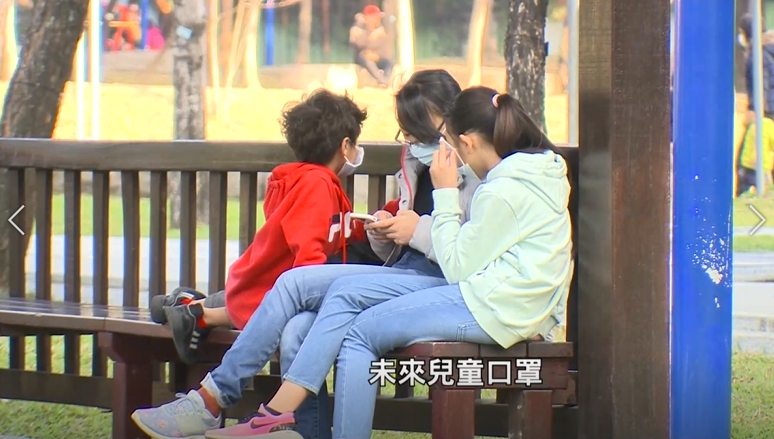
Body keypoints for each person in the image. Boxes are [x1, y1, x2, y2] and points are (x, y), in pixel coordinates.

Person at [194, 86, 572, 439]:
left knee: (357, 331)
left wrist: (443, 194)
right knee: (337, 300)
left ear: (468, 143)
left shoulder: (503, 189)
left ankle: (274, 414)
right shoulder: (526, 176)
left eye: (448, 143)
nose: (444, 153)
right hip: (487, 297)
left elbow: (458, 265)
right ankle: (276, 416)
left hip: (491, 305)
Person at [130, 69, 479, 439]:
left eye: (421, 132)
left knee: (293, 284)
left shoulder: (477, 168)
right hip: (399, 273)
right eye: (406, 132)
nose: (411, 142)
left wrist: (418, 231)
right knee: (296, 329)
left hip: (437, 284)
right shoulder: (415, 162)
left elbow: (470, 250)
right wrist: (386, 229)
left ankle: (210, 400)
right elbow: (402, 238)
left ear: (453, 122)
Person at [737, 13, 774, 195]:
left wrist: (755, 110)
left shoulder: (758, 53)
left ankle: (746, 192)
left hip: (766, 112)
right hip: (769, 110)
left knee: (748, 156)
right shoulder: (767, 48)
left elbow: (762, 82)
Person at [349, 5, 394, 87]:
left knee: (389, 62)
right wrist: (369, 38)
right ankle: (383, 81)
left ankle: (385, 80)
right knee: (367, 60)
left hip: (376, 55)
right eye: (376, 17)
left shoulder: (380, 29)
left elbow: (383, 46)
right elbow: (358, 44)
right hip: (362, 56)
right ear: (370, 18)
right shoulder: (359, 27)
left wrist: (377, 55)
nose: (378, 19)